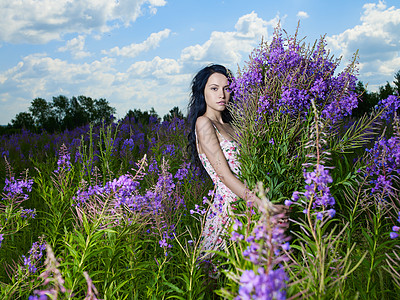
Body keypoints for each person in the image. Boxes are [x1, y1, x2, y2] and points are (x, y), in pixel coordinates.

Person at [187, 64, 278, 259]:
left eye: (227, 88)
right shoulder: (204, 123)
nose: (222, 94)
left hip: (249, 202)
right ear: (202, 92)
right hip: (231, 210)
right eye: (214, 88)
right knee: (225, 272)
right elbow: (225, 176)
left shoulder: (233, 125)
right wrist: (263, 205)